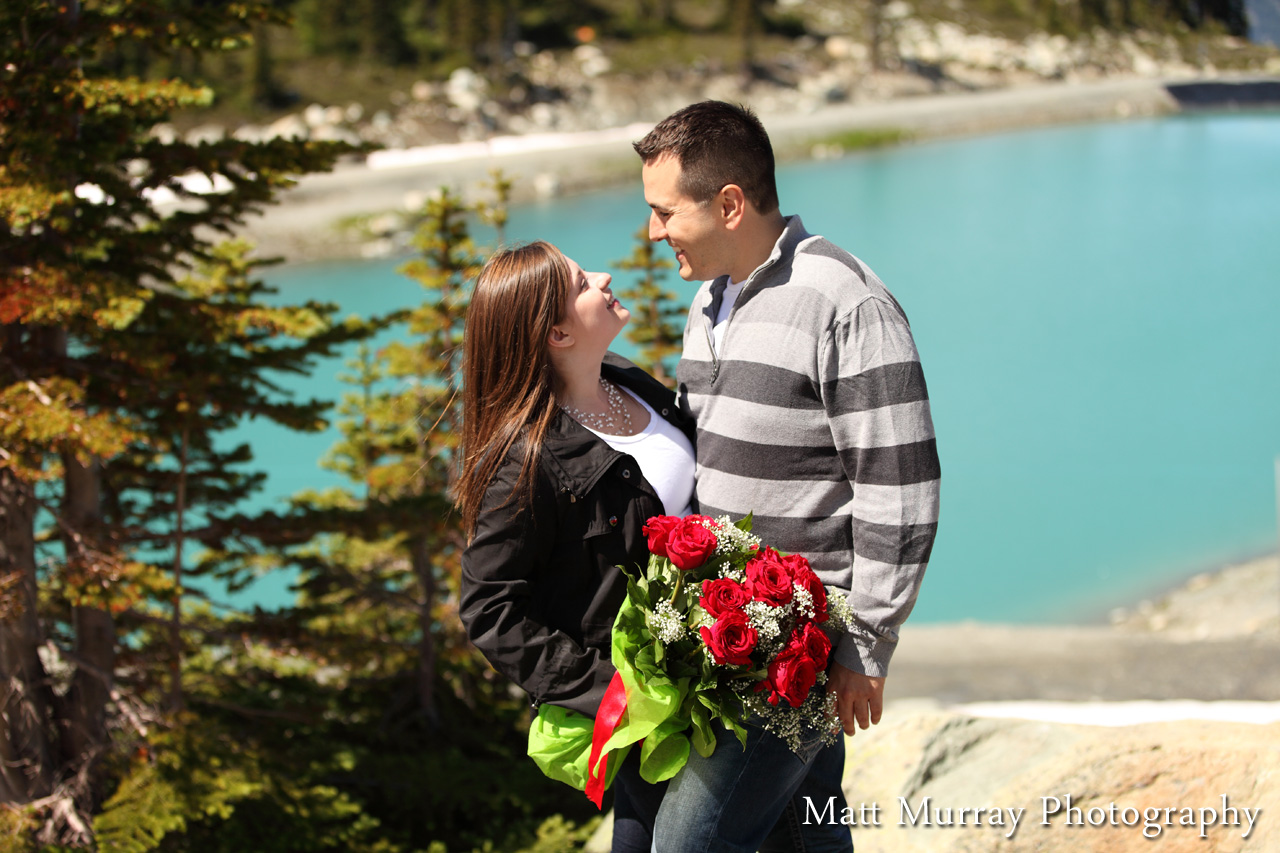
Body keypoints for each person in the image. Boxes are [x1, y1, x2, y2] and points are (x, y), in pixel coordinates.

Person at [633, 101, 942, 851]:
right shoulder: (709, 299)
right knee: (803, 835)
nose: (652, 233)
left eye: (663, 212)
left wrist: (866, 647)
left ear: (730, 203)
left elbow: (901, 488)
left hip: (798, 650)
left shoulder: (846, 302)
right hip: (730, 643)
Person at [456, 241, 696, 853]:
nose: (605, 274)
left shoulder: (628, 383)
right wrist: (612, 692)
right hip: (652, 708)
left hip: (710, 673)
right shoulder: (526, 459)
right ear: (558, 332)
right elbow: (488, 609)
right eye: (582, 281)